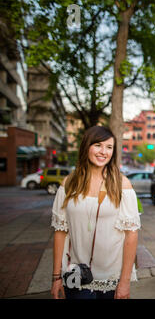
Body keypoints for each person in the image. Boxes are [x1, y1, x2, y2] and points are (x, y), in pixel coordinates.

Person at [50, 126, 141, 299]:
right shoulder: (69, 183)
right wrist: (56, 276)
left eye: (109, 147)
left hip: (111, 277)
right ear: (86, 147)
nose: (103, 152)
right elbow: (60, 232)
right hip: (75, 274)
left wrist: (125, 281)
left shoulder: (122, 184)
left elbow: (131, 235)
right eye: (98, 145)